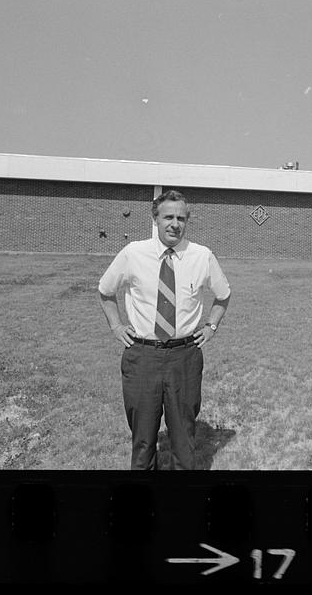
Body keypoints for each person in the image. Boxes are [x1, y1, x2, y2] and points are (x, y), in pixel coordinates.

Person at [98, 189, 231, 470]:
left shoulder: (202, 257)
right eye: (168, 217)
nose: (175, 224)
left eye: (181, 218)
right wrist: (116, 325)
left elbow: (223, 295)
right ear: (155, 219)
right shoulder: (133, 253)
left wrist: (211, 326)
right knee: (143, 440)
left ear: (187, 220)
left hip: (184, 356)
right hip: (142, 356)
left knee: (184, 439)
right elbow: (105, 291)